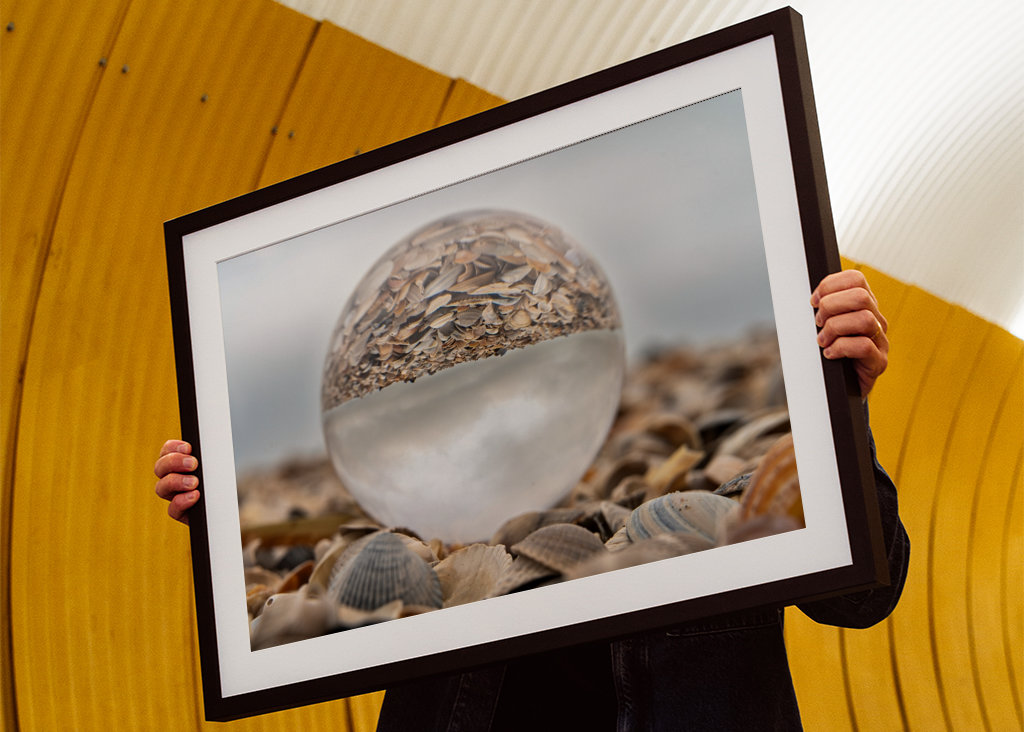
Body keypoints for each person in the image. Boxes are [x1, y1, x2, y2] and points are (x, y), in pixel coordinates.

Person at [155, 270, 908, 731]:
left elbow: (864, 594)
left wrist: (837, 407)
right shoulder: (425, 500)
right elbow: (343, 612)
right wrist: (228, 515)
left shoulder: (730, 454)